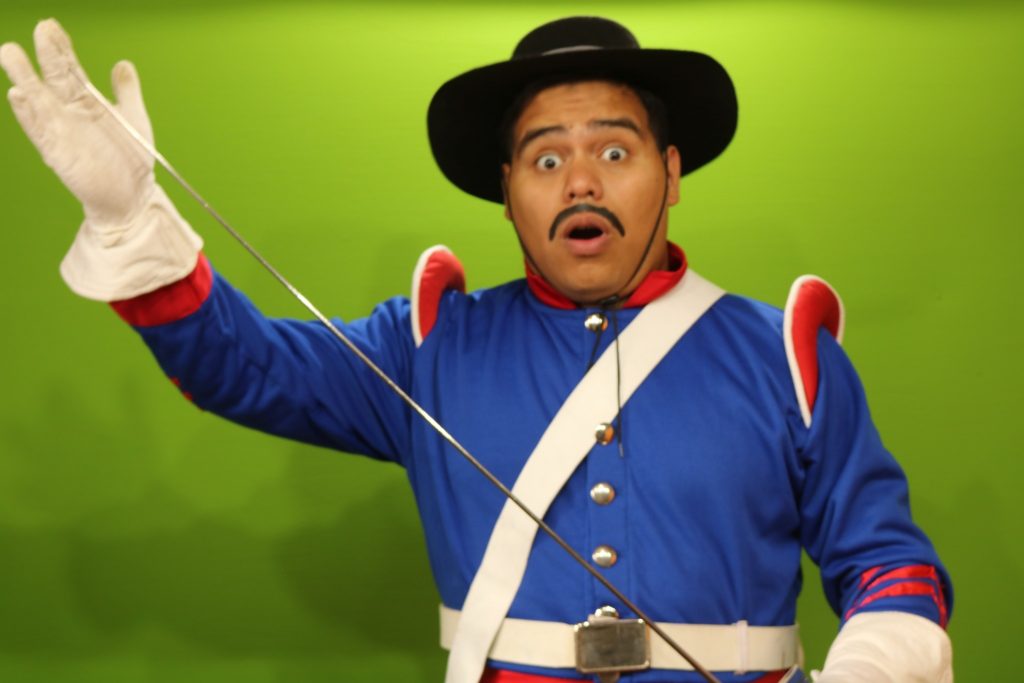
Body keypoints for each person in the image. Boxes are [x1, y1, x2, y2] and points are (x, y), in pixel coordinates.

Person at [0, 15, 952, 683]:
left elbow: (889, 564)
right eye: (547, 158)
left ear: (670, 172)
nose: (580, 182)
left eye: (614, 151)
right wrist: (130, 217)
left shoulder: (785, 356)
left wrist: (877, 663)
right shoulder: (430, 346)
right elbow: (242, 367)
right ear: (508, 192)